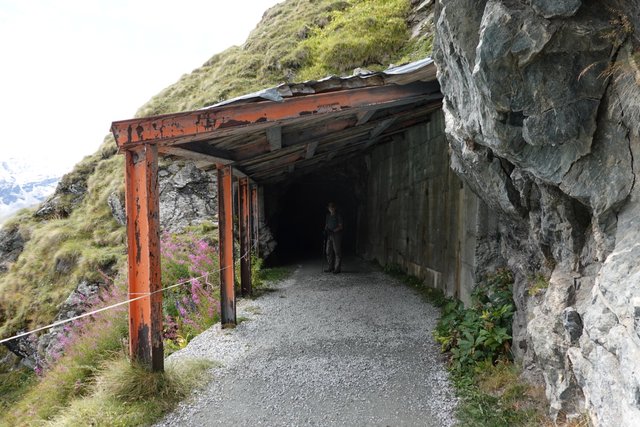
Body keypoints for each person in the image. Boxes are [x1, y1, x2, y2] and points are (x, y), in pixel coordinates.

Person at [324, 201, 343, 274]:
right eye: (329, 207)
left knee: (337, 252)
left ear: (335, 208)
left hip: (336, 235)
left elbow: (341, 226)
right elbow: (326, 224)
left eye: (332, 207)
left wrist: (334, 231)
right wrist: (325, 230)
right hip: (329, 235)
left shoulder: (338, 215)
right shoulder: (328, 216)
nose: (331, 208)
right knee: (328, 251)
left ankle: (337, 268)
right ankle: (330, 267)